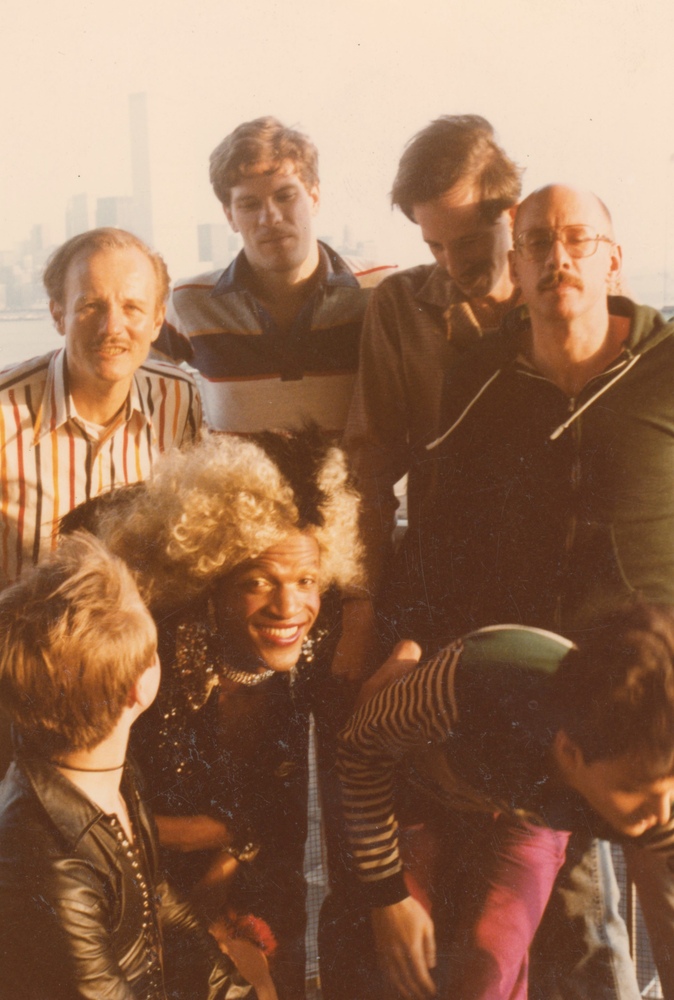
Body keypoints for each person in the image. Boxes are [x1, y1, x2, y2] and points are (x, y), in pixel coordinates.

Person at [392, 184, 674, 998]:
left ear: (614, 258)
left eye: (580, 240)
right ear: (513, 267)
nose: (560, 258)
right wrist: (416, 645)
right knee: (581, 937)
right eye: (540, 243)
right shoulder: (482, 379)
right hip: (548, 707)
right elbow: (445, 536)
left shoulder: (665, 362)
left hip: (660, 703)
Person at [70, 428, 364, 1000]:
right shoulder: (149, 654)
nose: (289, 608)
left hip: (247, 873)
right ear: (211, 581)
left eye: (307, 581)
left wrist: (230, 847)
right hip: (121, 885)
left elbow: (279, 801)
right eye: (259, 583)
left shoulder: (318, 638)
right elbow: (90, 820)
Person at [337, 603, 674, 1000]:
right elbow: (359, 747)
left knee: (485, 979)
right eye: (636, 789)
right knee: (402, 969)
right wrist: (388, 896)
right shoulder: (467, 684)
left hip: (528, 816)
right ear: (569, 751)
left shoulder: (646, 783)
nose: (662, 814)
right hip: (425, 780)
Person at [0, 531, 254, 1000]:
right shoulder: (51, 864)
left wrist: (236, 993)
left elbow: (162, 905)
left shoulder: (108, 767)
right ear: (138, 689)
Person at [343, 114, 522, 592]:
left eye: (468, 242)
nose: (454, 264)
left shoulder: (563, 300)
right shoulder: (400, 304)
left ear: (514, 215)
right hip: (442, 577)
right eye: (435, 246)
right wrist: (361, 608)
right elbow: (371, 469)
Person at [154, 115, 393, 442]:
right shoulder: (189, 301)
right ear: (230, 216)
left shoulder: (380, 289)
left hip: (350, 495)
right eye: (250, 204)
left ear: (314, 197)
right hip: (236, 494)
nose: (270, 218)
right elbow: (127, 383)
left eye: (285, 196)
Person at [0, 227, 202, 589]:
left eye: (132, 308)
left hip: (137, 639)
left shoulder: (178, 398)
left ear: (157, 320)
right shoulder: (4, 411)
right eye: (90, 306)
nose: (112, 327)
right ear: (58, 314)